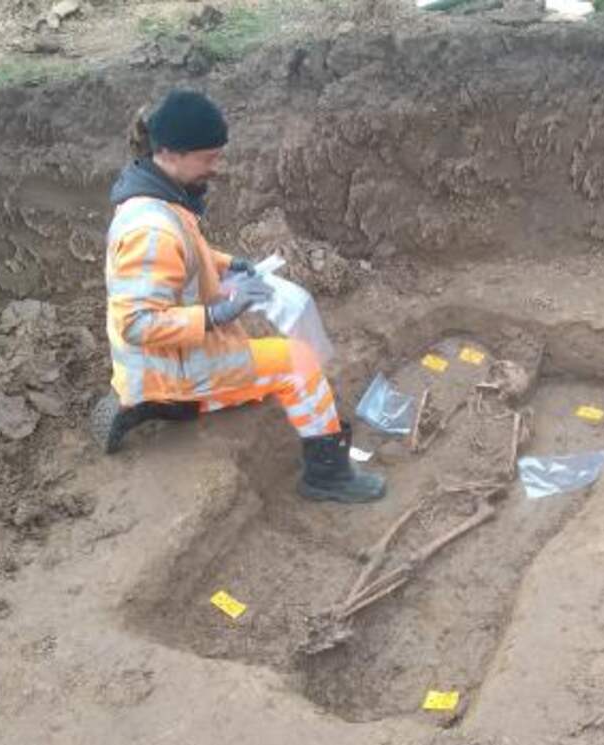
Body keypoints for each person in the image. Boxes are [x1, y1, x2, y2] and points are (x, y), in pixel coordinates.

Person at [91, 89, 385, 504]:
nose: (216, 167)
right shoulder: (151, 231)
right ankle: (328, 475)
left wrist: (230, 265)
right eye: (208, 158)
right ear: (172, 152)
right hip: (174, 361)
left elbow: (187, 252)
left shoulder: (153, 199)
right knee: (296, 363)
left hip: (154, 362)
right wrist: (216, 314)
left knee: (250, 355)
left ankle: (146, 401)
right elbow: (137, 324)